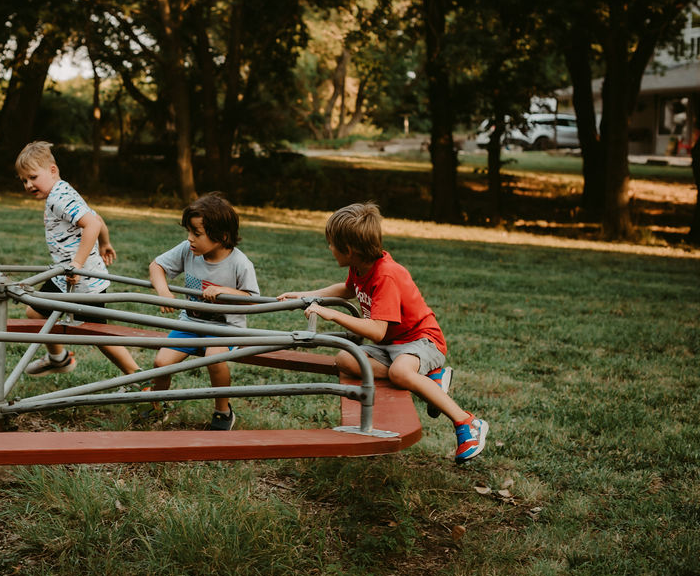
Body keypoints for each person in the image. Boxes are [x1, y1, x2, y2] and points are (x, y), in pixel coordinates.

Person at [277, 202, 488, 464]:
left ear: (349, 250)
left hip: (422, 341)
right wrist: (306, 295)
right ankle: (427, 378)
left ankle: (467, 422)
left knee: (401, 373)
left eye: (331, 244)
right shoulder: (359, 267)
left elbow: (376, 331)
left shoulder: (386, 275)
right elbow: (347, 290)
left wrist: (332, 314)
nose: (329, 248)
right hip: (393, 345)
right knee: (346, 359)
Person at [14, 141, 140, 378]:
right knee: (35, 313)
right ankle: (58, 359)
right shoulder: (61, 191)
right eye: (24, 181)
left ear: (52, 170)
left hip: (83, 282)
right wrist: (105, 242)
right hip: (65, 278)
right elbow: (96, 218)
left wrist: (78, 264)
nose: (28, 184)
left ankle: (138, 377)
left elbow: (91, 223)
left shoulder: (58, 198)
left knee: (97, 334)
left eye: (32, 177)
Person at [146, 192, 260, 430]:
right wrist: (163, 292)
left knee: (214, 357)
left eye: (196, 233)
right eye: (189, 232)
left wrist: (227, 291)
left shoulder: (240, 263)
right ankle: (157, 407)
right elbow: (156, 266)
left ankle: (222, 411)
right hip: (190, 324)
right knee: (161, 361)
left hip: (225, 329)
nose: (190, 239)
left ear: (222, 236)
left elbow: (253, 300)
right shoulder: (189, 251)